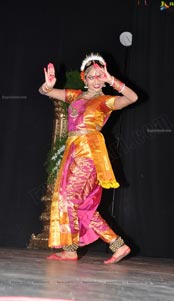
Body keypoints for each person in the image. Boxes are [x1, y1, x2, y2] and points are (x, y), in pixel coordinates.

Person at [39, 53, 138, 264]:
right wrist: (48, 86)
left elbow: (132, 98)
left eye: (99, 76)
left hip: (89, 152)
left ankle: (70, 250)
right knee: (82, 206)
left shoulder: (106, 101)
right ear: (84, 78)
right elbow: (44, 91)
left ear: (104, 78)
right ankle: (118, 245)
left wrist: (113, 81)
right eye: (91, 76)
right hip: (72, 151)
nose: (95, 79)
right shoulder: (75, 96)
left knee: (68, 199)